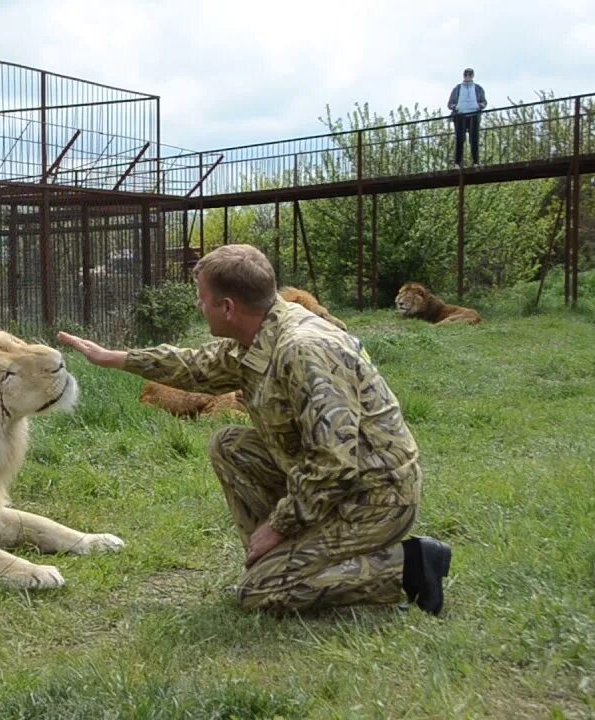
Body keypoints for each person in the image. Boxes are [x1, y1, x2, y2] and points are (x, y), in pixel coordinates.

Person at [57, 244, 451, 615]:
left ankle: (408, 564)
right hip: (329, 483)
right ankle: (280, 562)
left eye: (202, 296)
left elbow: (335, 463)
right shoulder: (261, 332)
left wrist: (278, 527)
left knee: (261, 594)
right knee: (230, 445)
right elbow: (198, 366)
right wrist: (117, 358)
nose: (198, 304)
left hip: (373, 496)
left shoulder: (303, 350)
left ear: (227, 307)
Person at [447, 67, 487, 166]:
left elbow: (484, 101)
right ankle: (457, 163)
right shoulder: (457, 88)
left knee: (474, 139)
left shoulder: (478, 88)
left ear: (473, 76)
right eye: (466, 75)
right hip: (460, 116)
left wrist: (480, 106)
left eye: (469, 75)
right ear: (463, 76)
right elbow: (450, 103)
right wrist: (455, 107)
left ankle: (476, 162)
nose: (467, 77)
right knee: (460, 139)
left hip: (473, 116)